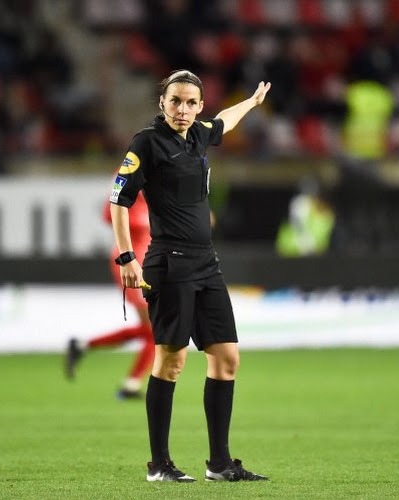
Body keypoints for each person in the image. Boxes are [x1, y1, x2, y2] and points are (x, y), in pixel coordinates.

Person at [109, 69, 271, 482]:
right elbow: (119, 200)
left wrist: (250, 104)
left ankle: (219, 464)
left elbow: (224, 122)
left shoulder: (199, 134)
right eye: (176, 101)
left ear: (200, 106)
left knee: (227, 357)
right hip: (170, 263)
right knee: (172, 360)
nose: (183, 109)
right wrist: (127, 256)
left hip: (205, 263)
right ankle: (158, 465)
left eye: (191, 103)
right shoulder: (146, 143)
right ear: (162, 102)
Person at [65, 191, 154, 400]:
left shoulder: (153, 183)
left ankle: (83, 346)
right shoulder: (129, 175)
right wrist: (138, 219)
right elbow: (109, 213)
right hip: (132, 263)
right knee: (156, 329)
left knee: (152, 329)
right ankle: (131, 384)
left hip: (148, 261)